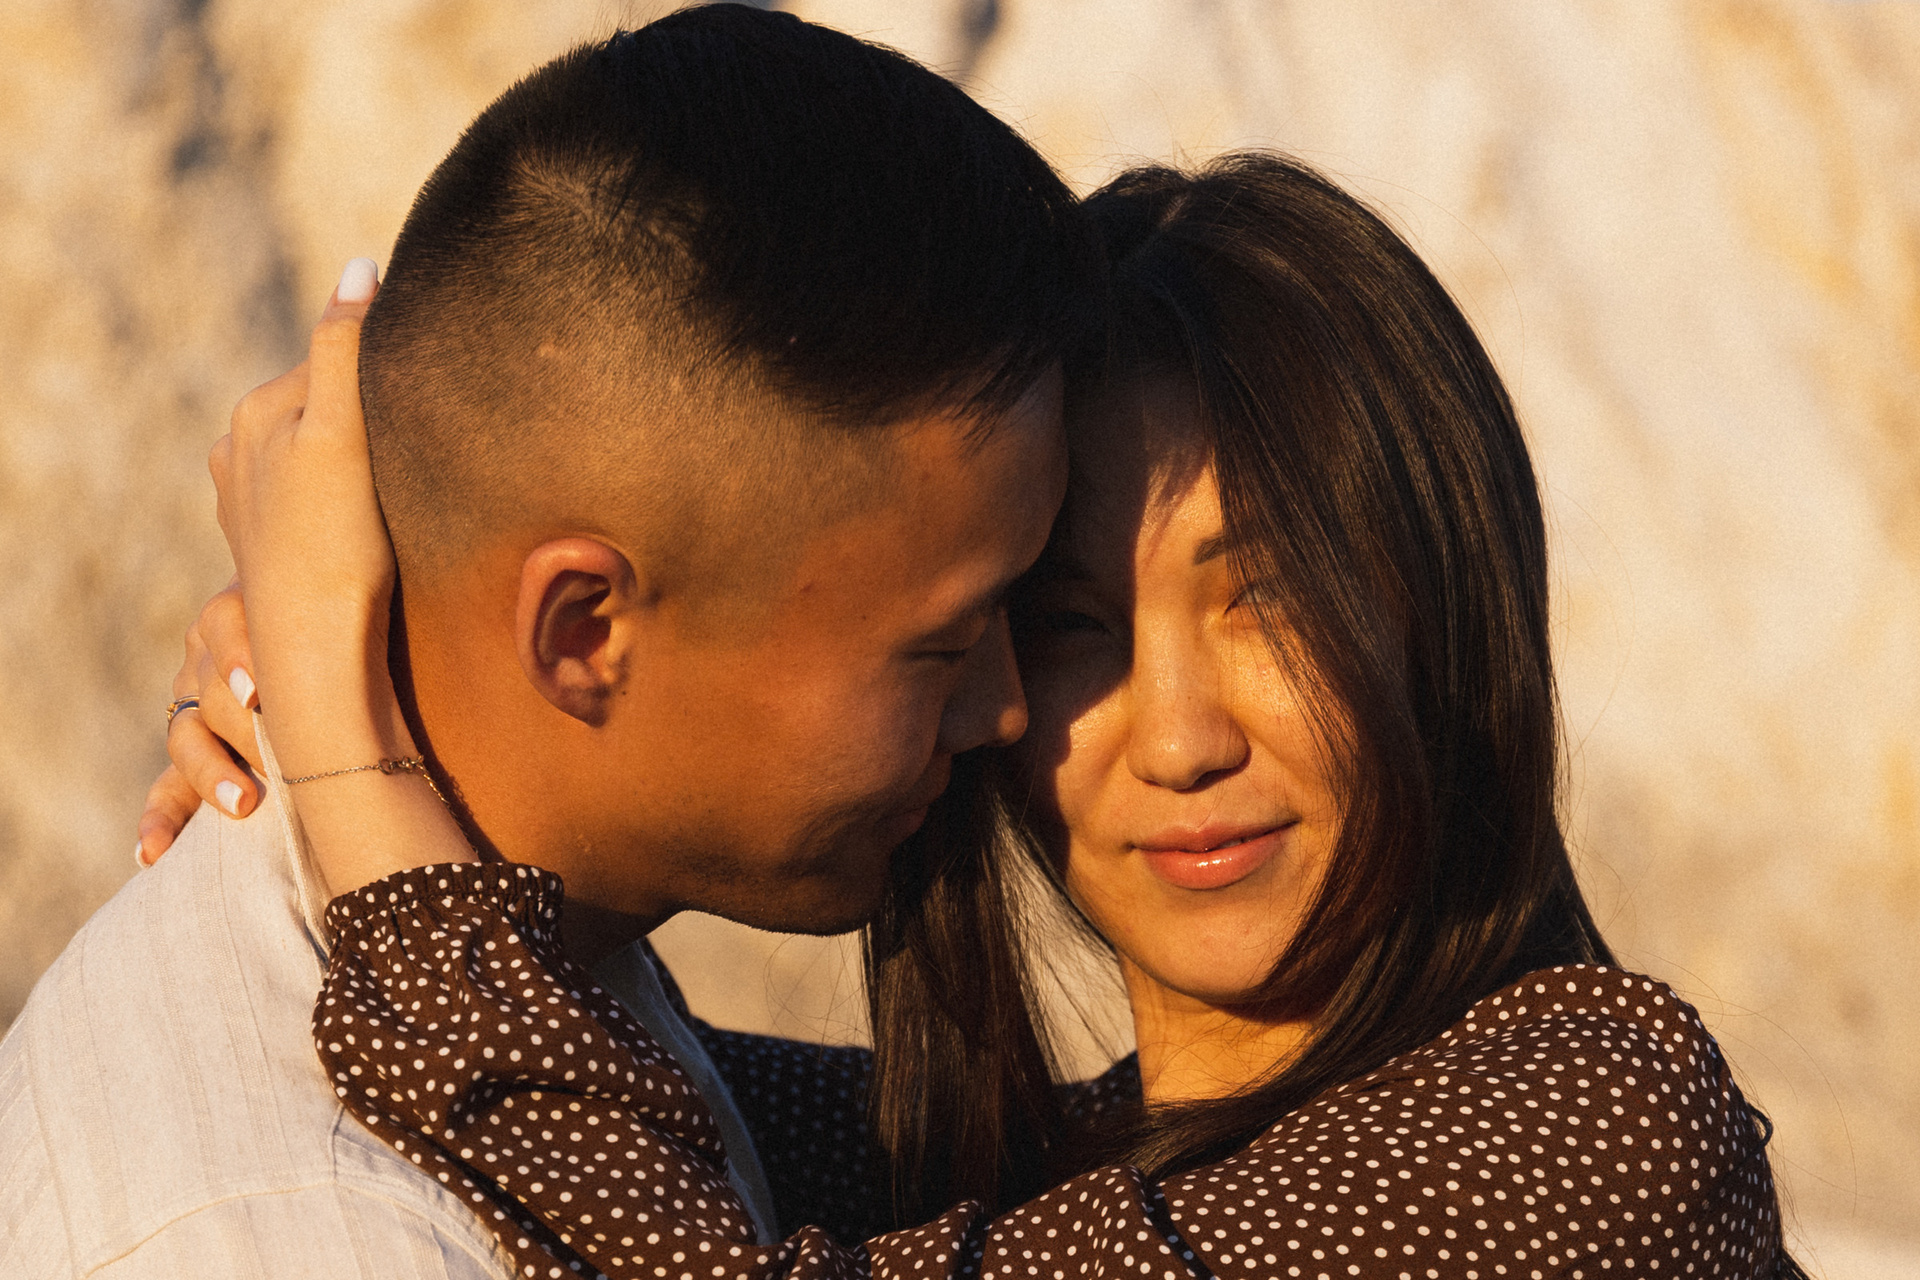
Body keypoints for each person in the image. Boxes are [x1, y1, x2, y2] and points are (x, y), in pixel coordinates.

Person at [146, 154, 1794, 1279]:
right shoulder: (1039, 1167)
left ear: (1448, 598)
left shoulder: (1597, 1137)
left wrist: (352, 752)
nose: (1180, 741)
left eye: (1271, 599)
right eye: (1070, 627)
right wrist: (369, 659)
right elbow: (593, 1077)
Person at [0, 9, 1097, 1276]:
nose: (1007, 706)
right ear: (585, 632)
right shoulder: (317, 1232)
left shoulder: (532, 956)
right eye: (944, 645)